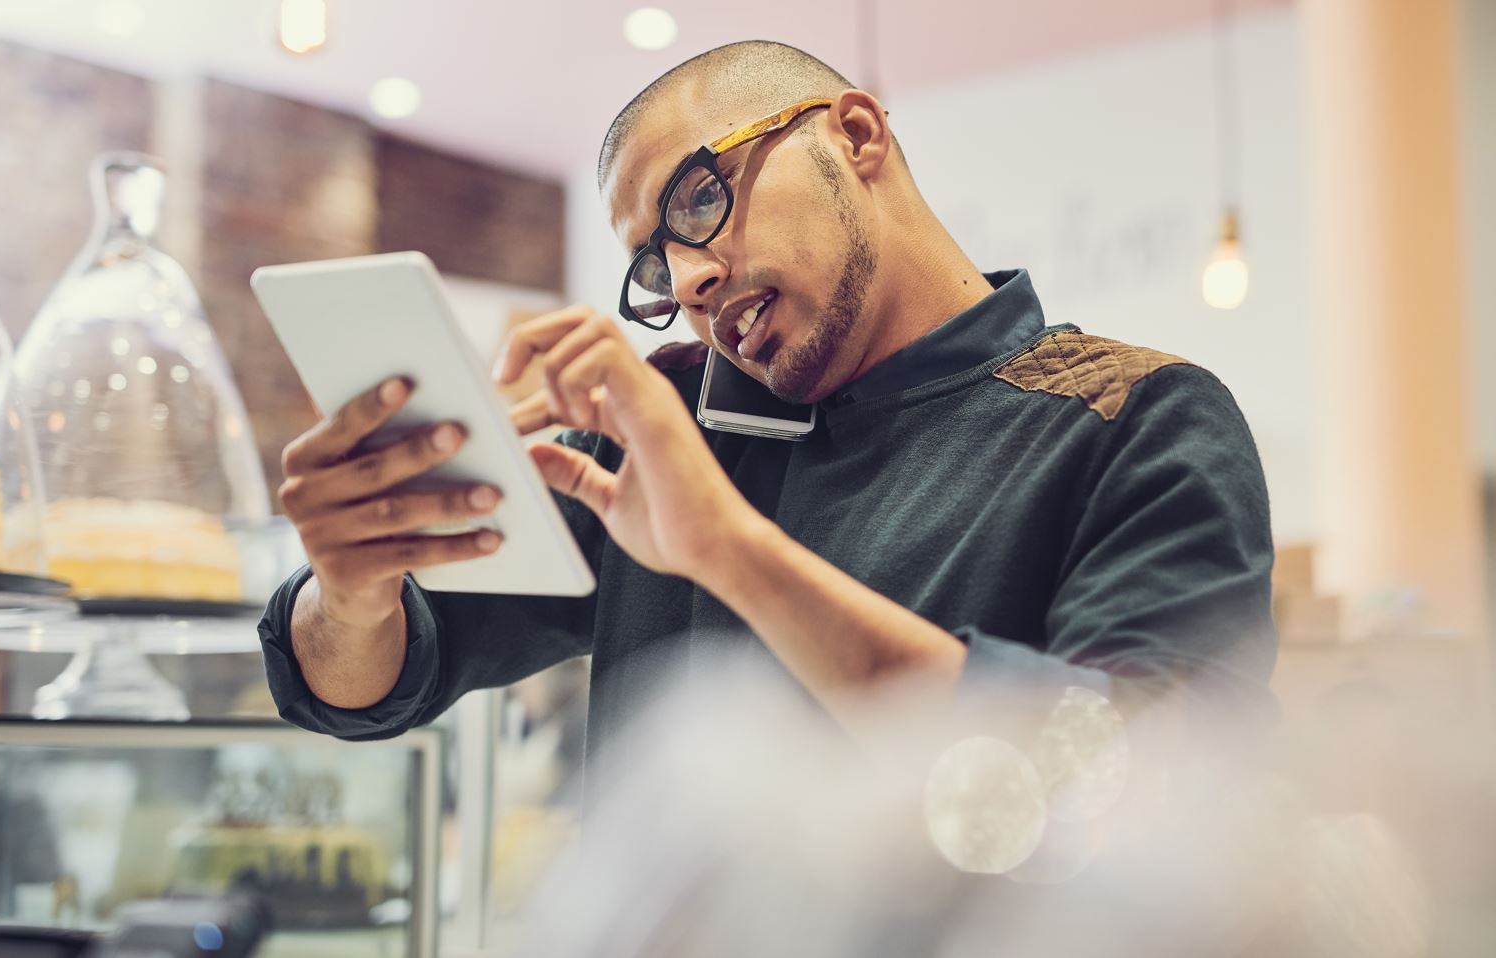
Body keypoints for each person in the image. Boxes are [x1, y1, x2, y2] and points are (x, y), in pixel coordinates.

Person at [257, 42, 1275, 792]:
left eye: (699, 201)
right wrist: (350, 591)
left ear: (858, 137)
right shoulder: (662, 421)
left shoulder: (1135, 420)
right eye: (656, 264)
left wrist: (732, 550)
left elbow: (1153, 794)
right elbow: (374, 679)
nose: (691, 275)